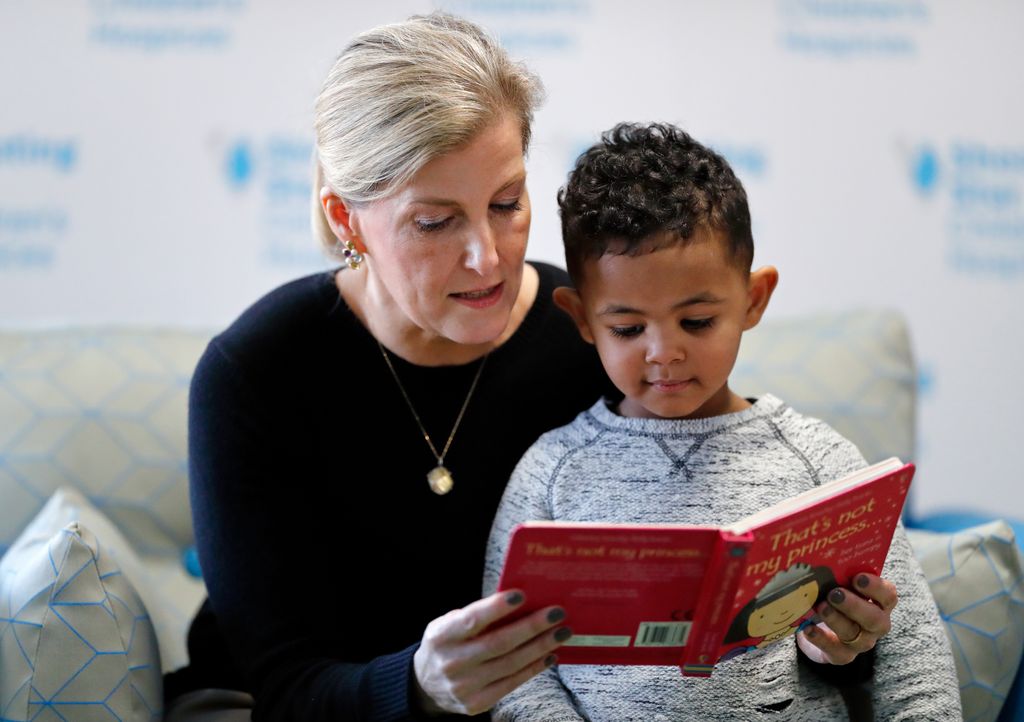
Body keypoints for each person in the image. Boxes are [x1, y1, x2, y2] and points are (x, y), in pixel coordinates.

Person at [166, 14, 893, 721]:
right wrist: (418, 685)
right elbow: (286, 685)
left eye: (507, 203)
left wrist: (836, 639)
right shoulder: (257, 374)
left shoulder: (597, 333)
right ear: (347, 218)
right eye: (436, 221)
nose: (489, 257)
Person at [483, 122, 961, 721]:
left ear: (754, 300)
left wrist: (848, 639)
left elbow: (914, 661)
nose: (663, 352)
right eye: (628, 329)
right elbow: (510, 673)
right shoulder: (550, 474)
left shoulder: (819, 462)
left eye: (698, 321)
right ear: (581, 319)